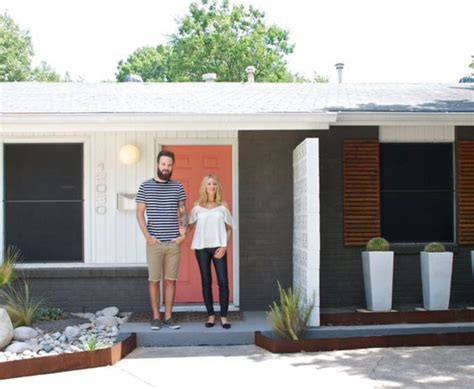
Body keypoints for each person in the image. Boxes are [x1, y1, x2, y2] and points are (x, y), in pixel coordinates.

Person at [136, 150, 187, 330]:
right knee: (154, 281)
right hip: (155, 243)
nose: (166, 168)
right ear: (157, 165)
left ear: (172, 166)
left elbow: (183, 213)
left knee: (171, 280)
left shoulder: (178, 187)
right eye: (163, 164)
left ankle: (168, 317)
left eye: (169, 165)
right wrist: (148, 237)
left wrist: (183, 235)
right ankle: (156, 317)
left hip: (173, 244)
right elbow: (140, 214)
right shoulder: (145, 187)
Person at [189, 174, 233, 329]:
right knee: (206, 281)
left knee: (223, 282)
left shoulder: (223, 206)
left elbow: (229, 229)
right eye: (209, 183)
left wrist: (225, 246)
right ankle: (211, 315)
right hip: (201, 247)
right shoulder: (197, 205)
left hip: (218, 247)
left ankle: (224, 316)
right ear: (204, 187)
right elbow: (189, 226)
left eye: (214, 183)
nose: (212, 186)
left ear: (217, 186)